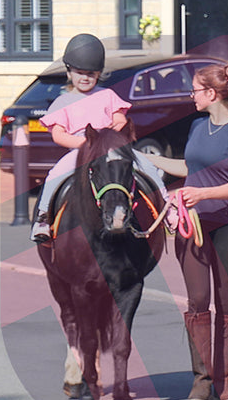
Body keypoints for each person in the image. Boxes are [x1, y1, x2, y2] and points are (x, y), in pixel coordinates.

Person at [139, 64, 228, 400]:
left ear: (211, 93)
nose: (191, 95)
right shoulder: (196, 127)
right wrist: (154, 160)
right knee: (197, 302)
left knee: (227, 305)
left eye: (194, 89)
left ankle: (227, 384)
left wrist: (202, 194)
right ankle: (202, 381)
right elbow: (192, 169)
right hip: (193, 227)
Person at [31, 33, 164, 243]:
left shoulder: (107, 95)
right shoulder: (62, 102)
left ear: (99, 73)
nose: (85, 78)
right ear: (69, 72)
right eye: (80, 73)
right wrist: (86, 144)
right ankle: (43, 217)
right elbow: (58, 135)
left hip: (110, 149)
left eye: (91, 74)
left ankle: (166, 206)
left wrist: (109, 135)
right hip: (80, 150)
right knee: (55, 174)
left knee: (145, 165)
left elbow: (120, 120)